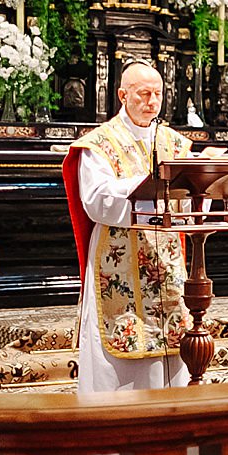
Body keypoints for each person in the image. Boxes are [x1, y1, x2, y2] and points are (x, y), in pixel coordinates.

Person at [61, 62, 194, 392]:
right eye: (144, 94)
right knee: (121, 349)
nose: (152, 101)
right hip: (118, 259)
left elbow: (191, 200)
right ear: (122, 95)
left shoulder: (175, 144)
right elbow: (96, 200)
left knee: (171, 345)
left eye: (158, 94)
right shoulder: (99, 144)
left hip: (166, 262)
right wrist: (145, 186)